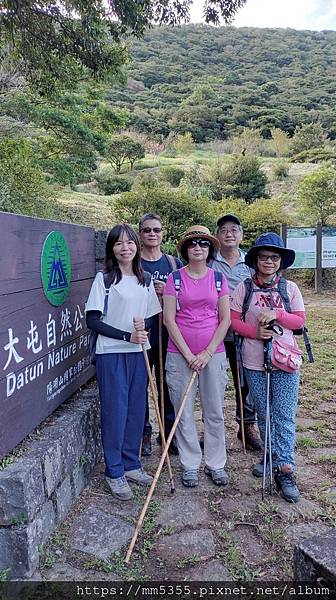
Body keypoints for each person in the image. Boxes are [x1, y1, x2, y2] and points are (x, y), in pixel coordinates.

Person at [85, 223, 162, 501]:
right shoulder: (104, 280)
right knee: (115, 411)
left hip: (139, 353)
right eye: (119, 244)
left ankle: (131, 464)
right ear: (112, 249)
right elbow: (92, 320)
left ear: (137, 246)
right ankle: (114, 470)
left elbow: (151, 314)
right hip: (112, 353)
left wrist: (143, 331)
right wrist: (126, 335)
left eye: (130, 243)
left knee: (135, 410)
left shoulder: (145, 279)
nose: (125, 248)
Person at [231, 232, 305, 503]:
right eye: (264, 257)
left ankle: (285, 467)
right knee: (263, 413)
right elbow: (233, 321)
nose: (269, 262)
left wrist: (277, 314)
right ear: (256, 260)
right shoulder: (244, 288)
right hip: (254, 361)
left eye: (274, 257)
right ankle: (270, 457)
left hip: (285, 360)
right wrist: (254, 332)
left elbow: (298, 322)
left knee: (284, 414)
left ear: (281, 261)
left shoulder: (290, 289)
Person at [163, 225, 231, 488]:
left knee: (214, 411)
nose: (198, 247)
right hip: (179, 354)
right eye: (193, 244)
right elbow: (169, 319)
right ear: (186, 249)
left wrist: (205, 352)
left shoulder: (218, 279)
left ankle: (216, 463)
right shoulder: (174, 279)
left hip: (212, 354)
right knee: (184, 411)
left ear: (210, 249)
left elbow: (224, 319)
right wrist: (190, 354)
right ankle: (190, 463)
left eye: (203, 243)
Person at [210, 214, 262, 451]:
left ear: (241, 235)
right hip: (216, 333)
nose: (229, 234)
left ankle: (247, 425)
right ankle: (212, 428)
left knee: (246, 381)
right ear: (217, 236)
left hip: (245, 332)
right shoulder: (210, 262)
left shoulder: (251, 263)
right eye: (223, 230)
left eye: (234, 229)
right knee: (215, 381)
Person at [139, 213, 183, 456]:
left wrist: (168, 291)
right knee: (141, 387)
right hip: (143, 335)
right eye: (147, 230)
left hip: (168, 335)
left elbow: (185, 298)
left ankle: (168, 432)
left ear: (162, 233)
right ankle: (143, 432)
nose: (152, 234)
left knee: (168, 385)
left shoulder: (173, 263)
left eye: (156, 230)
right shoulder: (133, 263)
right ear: (140, 234)